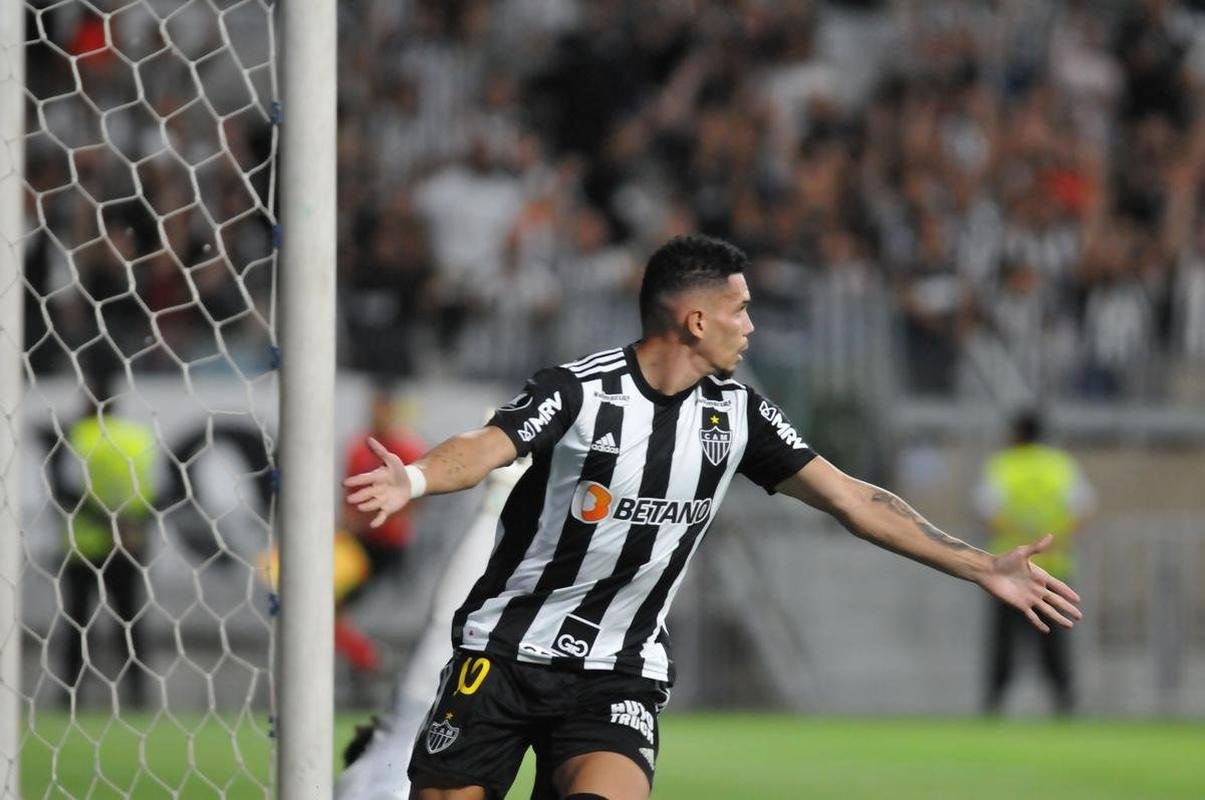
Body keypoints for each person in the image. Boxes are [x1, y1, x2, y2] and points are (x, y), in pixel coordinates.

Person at [345, 235, 1083, 800]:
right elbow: (485, 446)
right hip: (504, 653)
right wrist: (414, 477)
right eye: (740, 310)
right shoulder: (580, 391)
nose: (751, 326)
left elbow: (853, 499)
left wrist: (980, 566)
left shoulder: (737, 416)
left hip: (616, 672)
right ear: (695, 321)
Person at [337, 453, 532, 799]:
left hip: (396, 747)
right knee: (443, 643)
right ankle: (500, 497)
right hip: (400, 744)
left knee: (442, 642)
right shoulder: (374, 765)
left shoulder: (375, 766)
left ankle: (500, 496)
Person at [975, 410, 1095, 715]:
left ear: (1014, 433)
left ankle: (994, 702)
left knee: (1004, 641)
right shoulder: (1060, 465)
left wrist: (1021, 538)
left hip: (1009, 570)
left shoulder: (1003, 465)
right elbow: (1082, 511)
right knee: (1054, 641)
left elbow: (989, 513)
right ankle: (1065, 701)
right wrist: (1053, 539)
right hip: (1053, 568)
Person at [60, 369, 158, 708]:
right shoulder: (138, 437)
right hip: (130, 542)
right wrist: (130, 524)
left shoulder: (78, 436)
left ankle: (69, 695)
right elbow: (157, 491)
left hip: (84, 545)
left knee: (78, 624)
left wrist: (105, 523)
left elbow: (65, 489)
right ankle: (138, 696)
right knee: (129, 621)